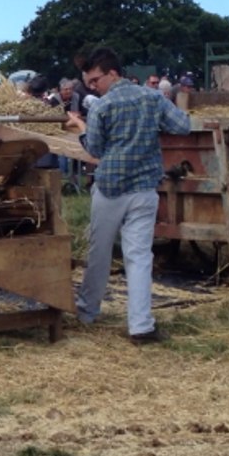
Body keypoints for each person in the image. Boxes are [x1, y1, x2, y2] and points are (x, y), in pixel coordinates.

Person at [65, 47, 190, 344]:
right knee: (139, 257)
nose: (93, 87)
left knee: (100, 252)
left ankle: (86, 311)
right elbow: (183, 126)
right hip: (145, 187)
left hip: (110, 189)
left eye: (96, 80)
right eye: (90, 83)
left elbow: (94, 149)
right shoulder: (153, 97)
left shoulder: (102, 107)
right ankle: (141, 326)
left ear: (112, 73)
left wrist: (80, 126)